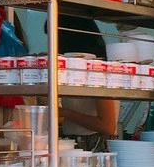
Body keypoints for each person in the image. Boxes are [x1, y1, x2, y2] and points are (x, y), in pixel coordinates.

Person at [51, 15, 120, 150]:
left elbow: (108, 126)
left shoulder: (97, 72)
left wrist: (64, 112)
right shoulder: (72, 71)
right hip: (74, 142)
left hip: (95, 145)